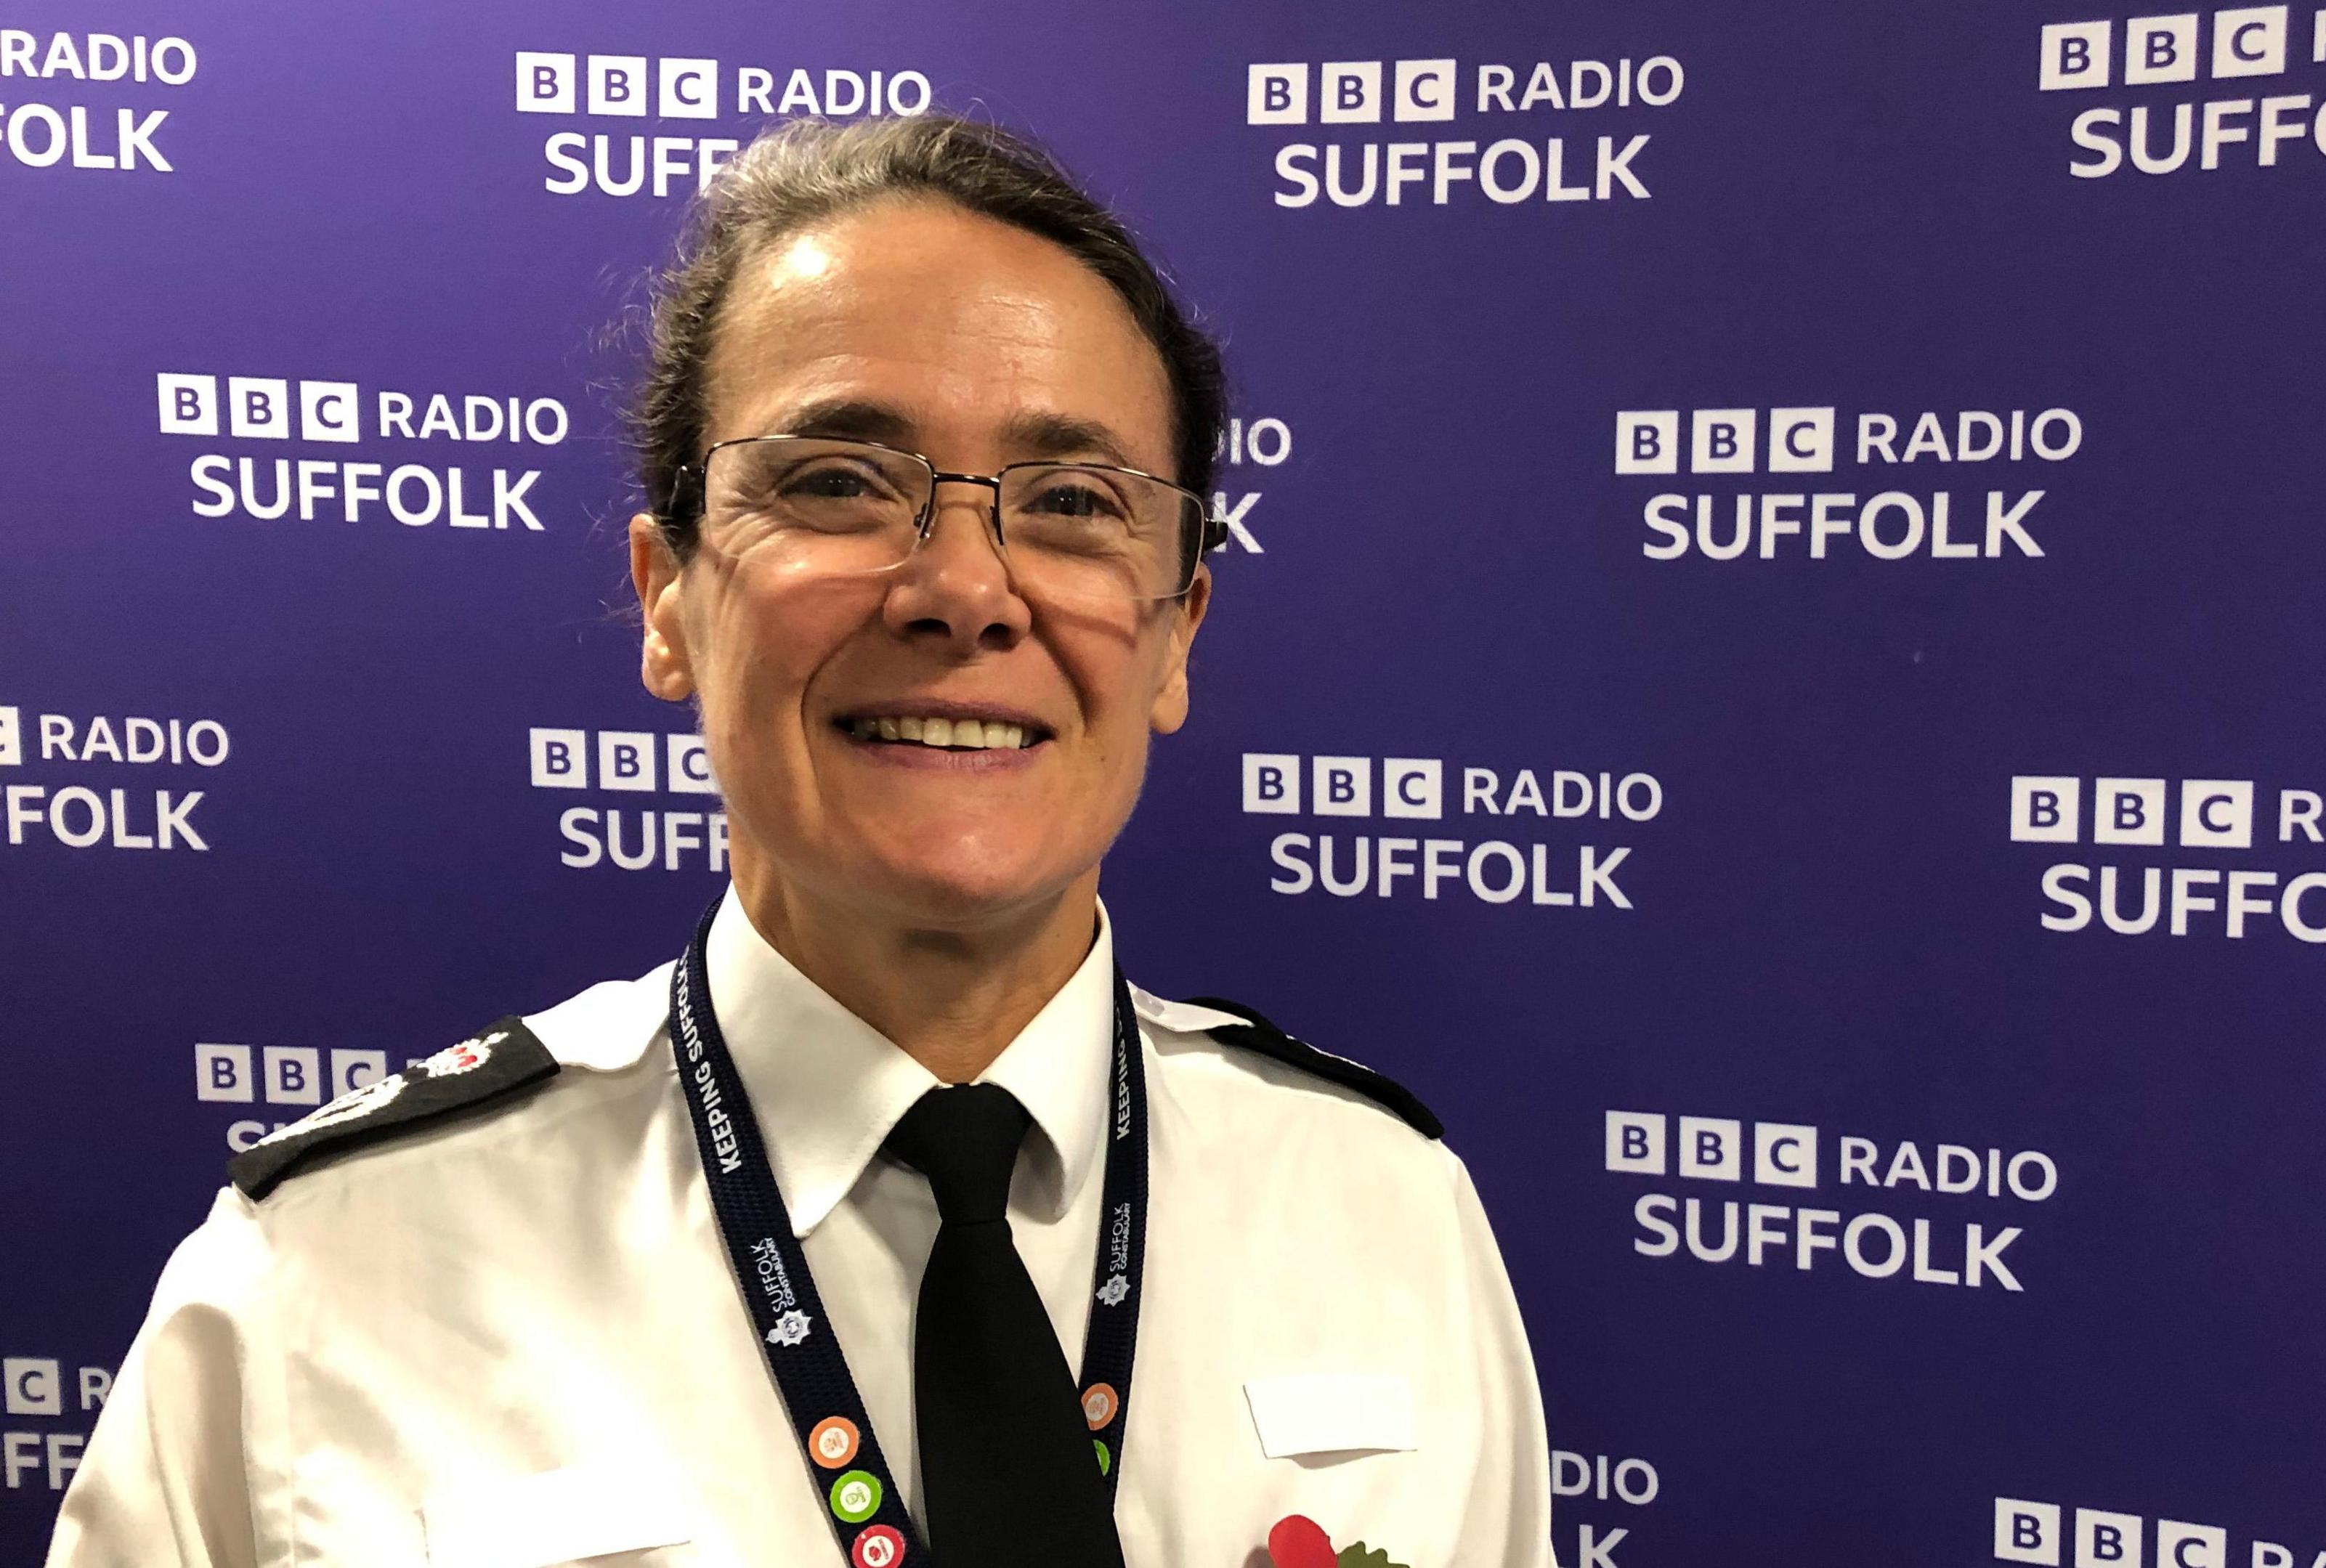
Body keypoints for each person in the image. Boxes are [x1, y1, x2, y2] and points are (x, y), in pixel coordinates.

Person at [48, 114, 1550, 1568]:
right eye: (840, 481)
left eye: (1075, 502)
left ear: (1176, 634)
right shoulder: (313, 1297)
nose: (965, 586)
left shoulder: (1388, 1210)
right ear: (667, 595)